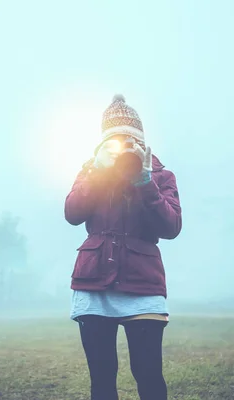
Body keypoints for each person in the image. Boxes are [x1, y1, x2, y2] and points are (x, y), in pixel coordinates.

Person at [64, 94, 182, 400]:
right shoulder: (90, 172)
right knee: (102, 379)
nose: (124, 148)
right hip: (94, 285)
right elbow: (73, 213)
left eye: (131, 141)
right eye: (115, 142)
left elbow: (171, 228)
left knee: (148, 375)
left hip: (143, 285)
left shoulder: (161, 177)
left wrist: (145, 182)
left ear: (142, 143)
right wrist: (97, 173)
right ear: (102, 146)